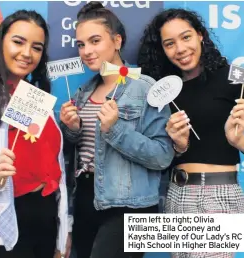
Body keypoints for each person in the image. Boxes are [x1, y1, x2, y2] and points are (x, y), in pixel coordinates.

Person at [59, 2, 175, 258]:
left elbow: (162, 155)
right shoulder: (82, 93)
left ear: (117, 41)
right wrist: (72, 130)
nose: (87, 51)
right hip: (86, 202)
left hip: (129, 206)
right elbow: (80, 152)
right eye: (81, 44)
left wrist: (116, 129)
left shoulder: (146, 88)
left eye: (95, 40)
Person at [138, 8, 244, 258]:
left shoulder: (233, 79)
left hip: (217, 195)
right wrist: (179, 146)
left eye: (186, 37)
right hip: (175, 194)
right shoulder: (163, 91)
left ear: (201, 35)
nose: (181, 49)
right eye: (170, 43)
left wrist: (239, 142)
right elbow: (160, 153)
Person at [0, 10, 70, 258]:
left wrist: (63, 231)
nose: (27, 54)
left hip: (45, 218)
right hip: (3, 221)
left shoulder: (32, 95)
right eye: (18, 42)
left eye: (36, 47)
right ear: (1, 40)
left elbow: (52, 164)